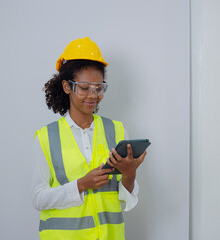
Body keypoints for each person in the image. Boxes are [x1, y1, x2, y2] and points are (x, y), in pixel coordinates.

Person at [32, 37, 146, 240]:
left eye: (99, 87)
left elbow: (128, 202)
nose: (93, 95)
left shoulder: (117, 131)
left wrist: (130, 174)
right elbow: (38, 199)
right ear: (67, 87)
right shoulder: (45, 137)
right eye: (85, 88)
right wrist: (81, 185)